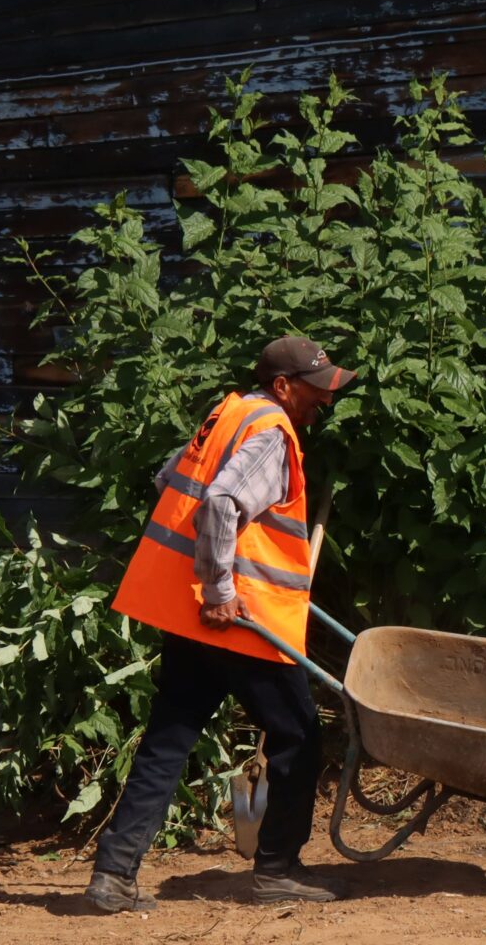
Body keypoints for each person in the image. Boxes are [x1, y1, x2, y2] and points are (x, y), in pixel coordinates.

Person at [86, 336, 356, 912]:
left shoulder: (226, 413)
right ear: (283, 386)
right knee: (298, 736)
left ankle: (113, 875)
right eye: (316, 390)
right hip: (240, 620)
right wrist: (220, 590)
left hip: (193, 616)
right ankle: (278, 869)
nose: (322, 403)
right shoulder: (270, 432)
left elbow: (169, 483)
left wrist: (206, 586)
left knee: (169, 739)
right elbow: (219, 503)